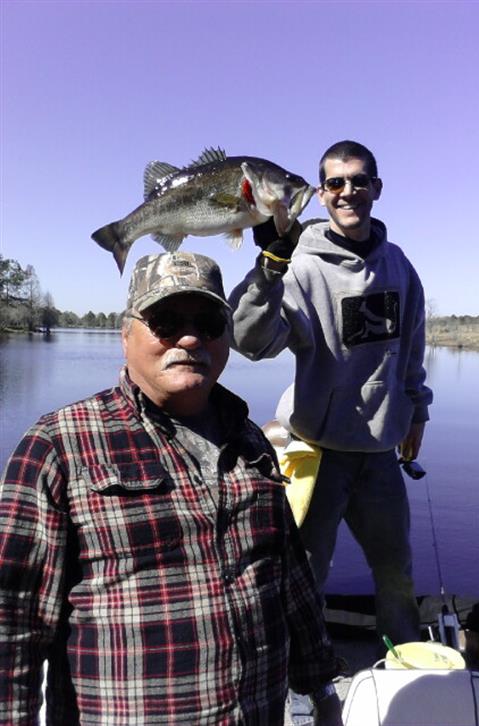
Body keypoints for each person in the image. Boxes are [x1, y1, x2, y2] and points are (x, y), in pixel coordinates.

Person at [0, 251, 342, 725]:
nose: (189, 338)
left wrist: (322, 688)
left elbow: (291, 578)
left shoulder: (252, 441)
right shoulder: (59, 444)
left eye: (208, 322)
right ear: (126, 336)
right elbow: (11, 620)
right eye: (164, 321)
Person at [229, 140, 433, 651]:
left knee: (396, 571)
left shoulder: (400, 266)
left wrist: (417, 412)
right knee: (305, 574)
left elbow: (411, 349)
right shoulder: (300, 265)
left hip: (380, 456)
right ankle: (303, 678)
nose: (348, 192)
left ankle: (407, 658)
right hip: (315, 454)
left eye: (359, 181)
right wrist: (267, 269)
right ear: (320, 194)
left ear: (376, 190)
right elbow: (253, 342)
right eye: (336, 183)